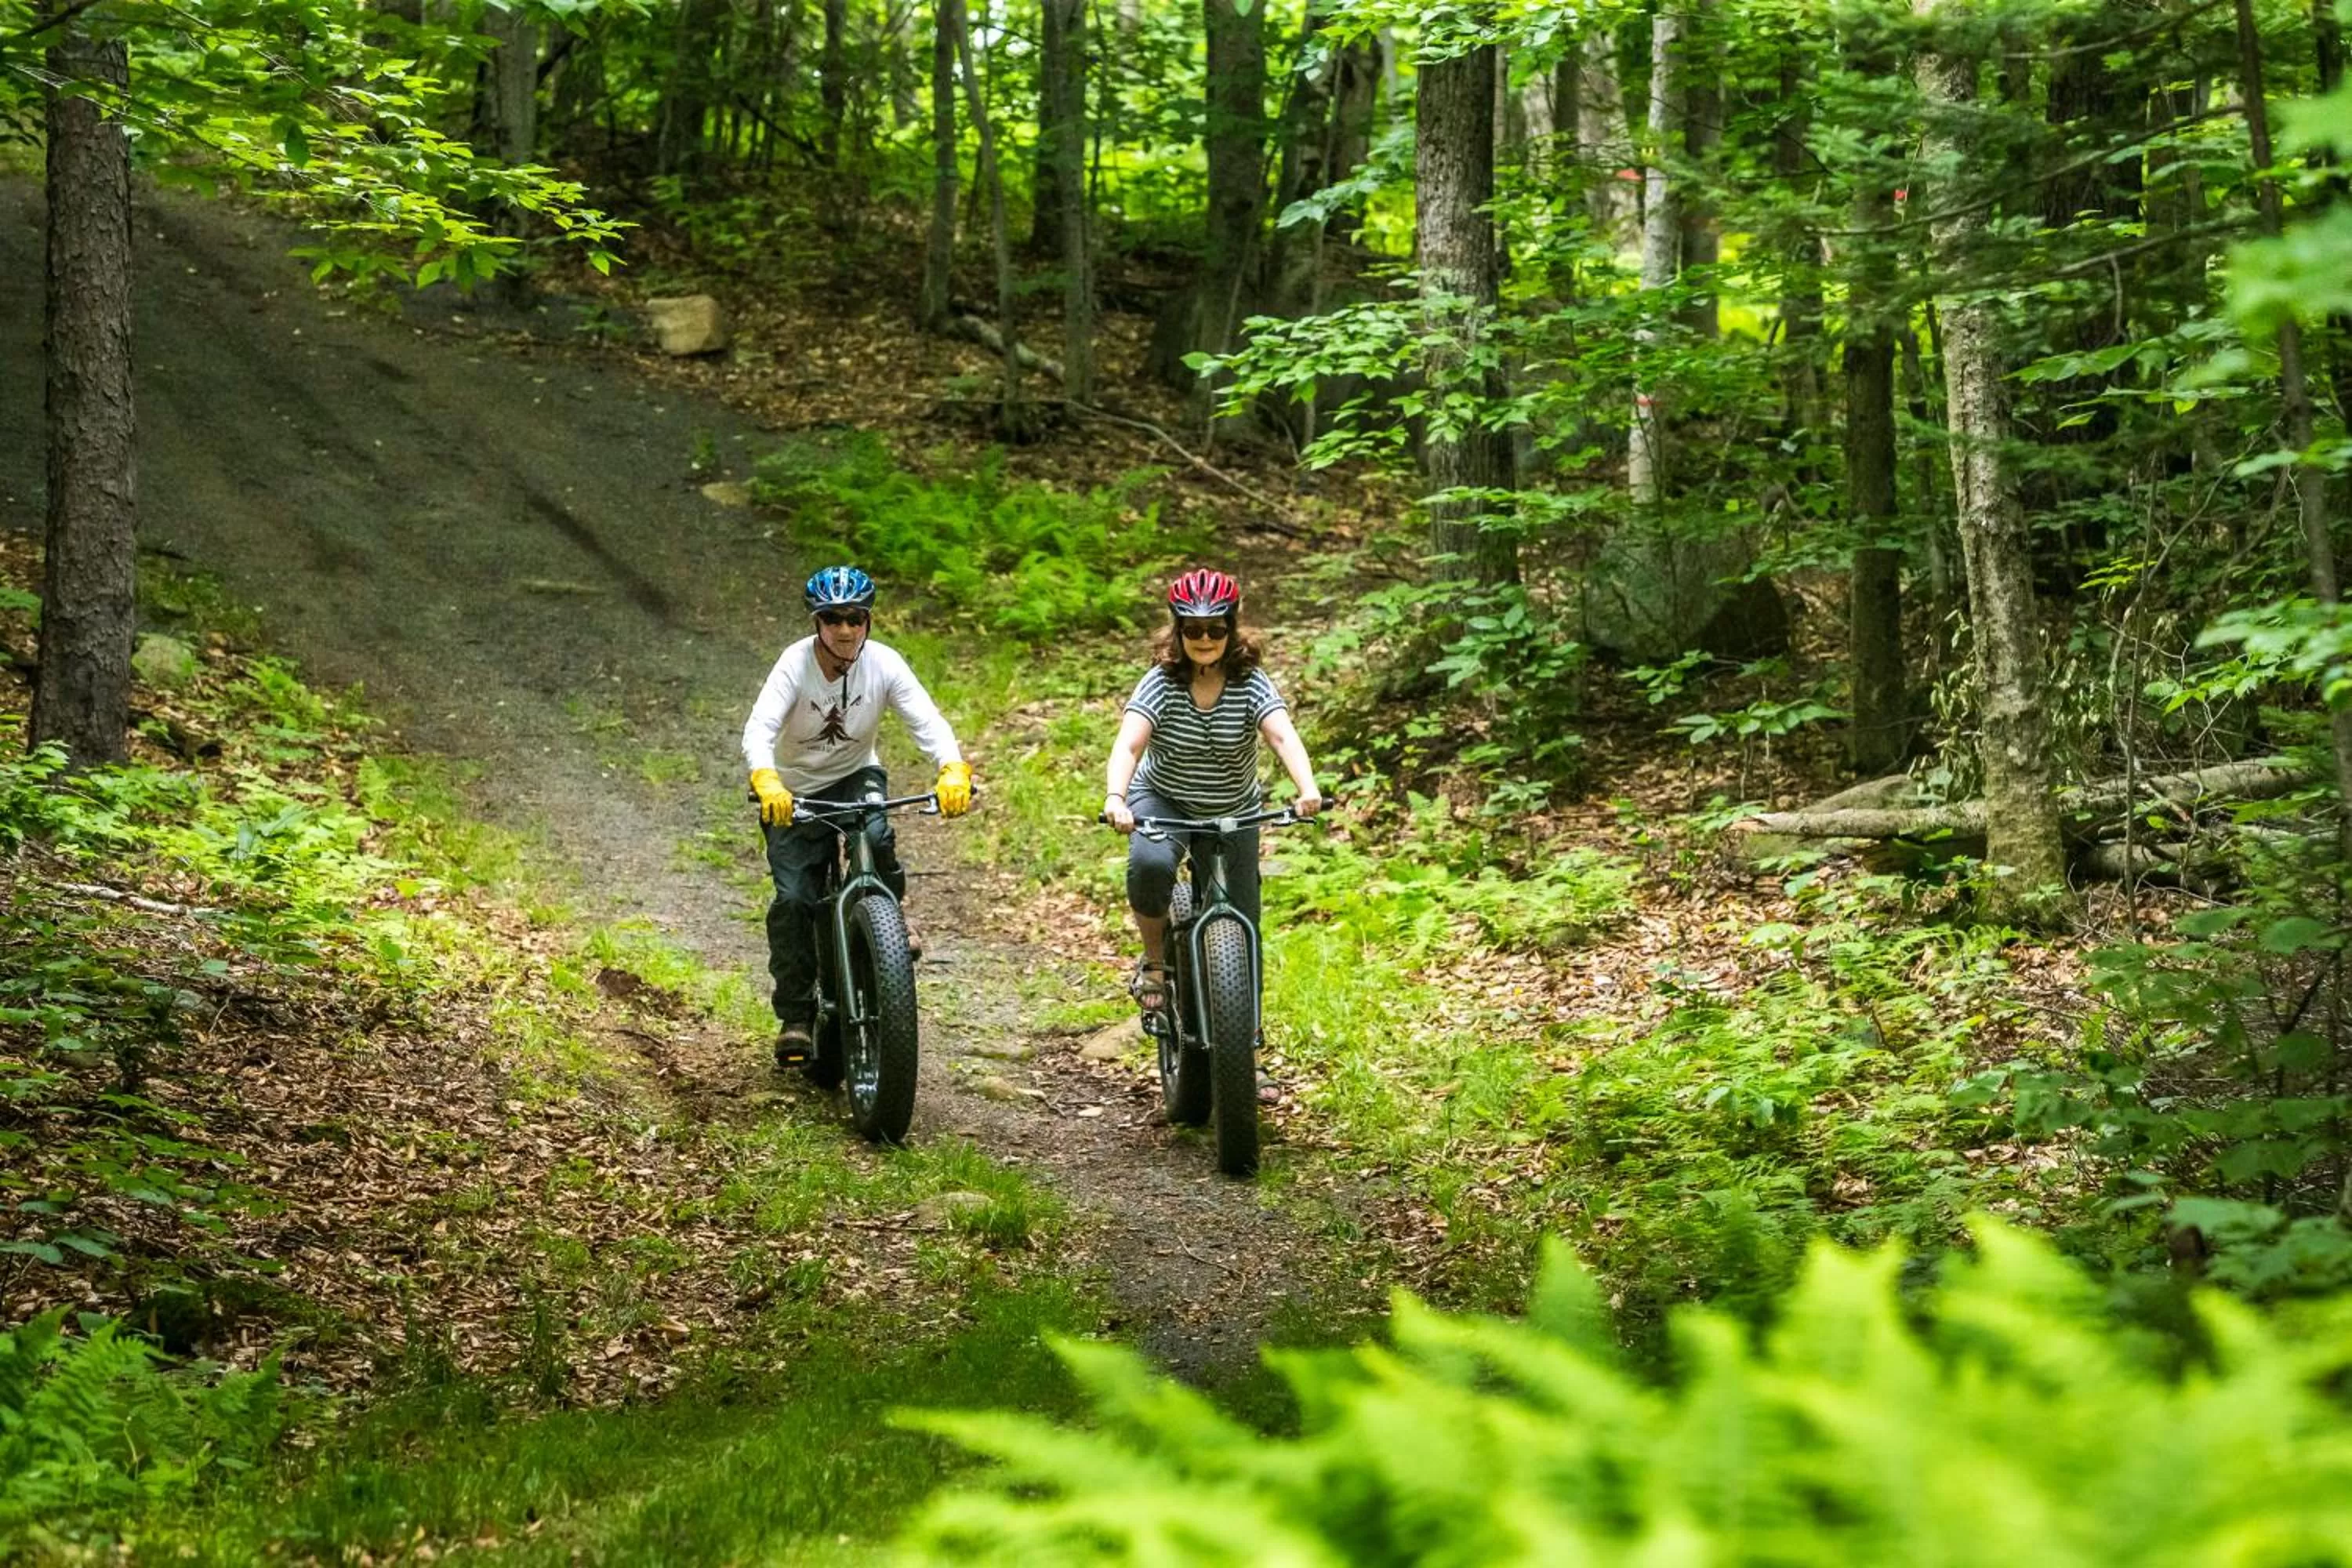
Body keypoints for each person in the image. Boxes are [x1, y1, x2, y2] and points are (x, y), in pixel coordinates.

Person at [742, 565, 973, 1065]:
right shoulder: (793, 665)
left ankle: (888, 916)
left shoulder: (885, 664)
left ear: (868, 620)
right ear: (816, 624)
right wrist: (766, 779)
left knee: (877, 833)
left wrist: (952, 767)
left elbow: (927, 720)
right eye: (833, 619)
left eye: (856, 618)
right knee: (795, 899)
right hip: (794, 791)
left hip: (854, 776)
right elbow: (758, 729)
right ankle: (797, 1017)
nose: (845, 630)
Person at [1102, 568, 1321, 1014]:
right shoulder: (1162, 682)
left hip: (1233, 808)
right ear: (1178, 629)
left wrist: (1307, 787)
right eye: (1194, 629)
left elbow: (1281, 736)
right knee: (1149, 865)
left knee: (1244, 924)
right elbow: (1129, 744)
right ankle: (1157, 964)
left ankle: (1248, 1047)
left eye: (1216, 629)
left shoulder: (1250, 681)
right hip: (1165, 799)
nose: (1205, 638)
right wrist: (1115, 798)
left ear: (1232, 627)